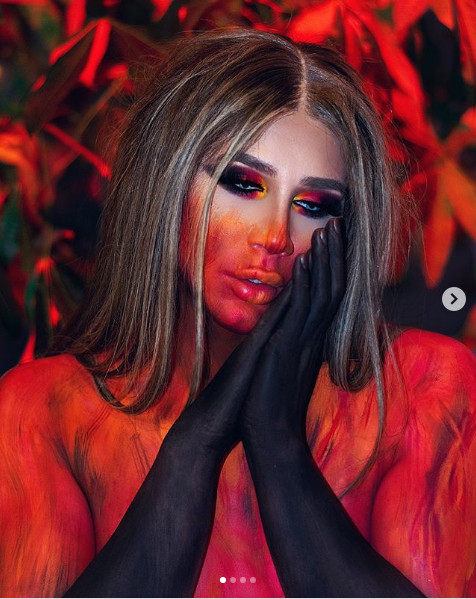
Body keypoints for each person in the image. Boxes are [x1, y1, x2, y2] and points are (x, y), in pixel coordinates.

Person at [0, 28, 475, 599]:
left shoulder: (425, 388)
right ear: (166, 184)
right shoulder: (42, 412)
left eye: (312, 205)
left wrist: (277, 442)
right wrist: (195, 448)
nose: (275, 236)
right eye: (243, 184)